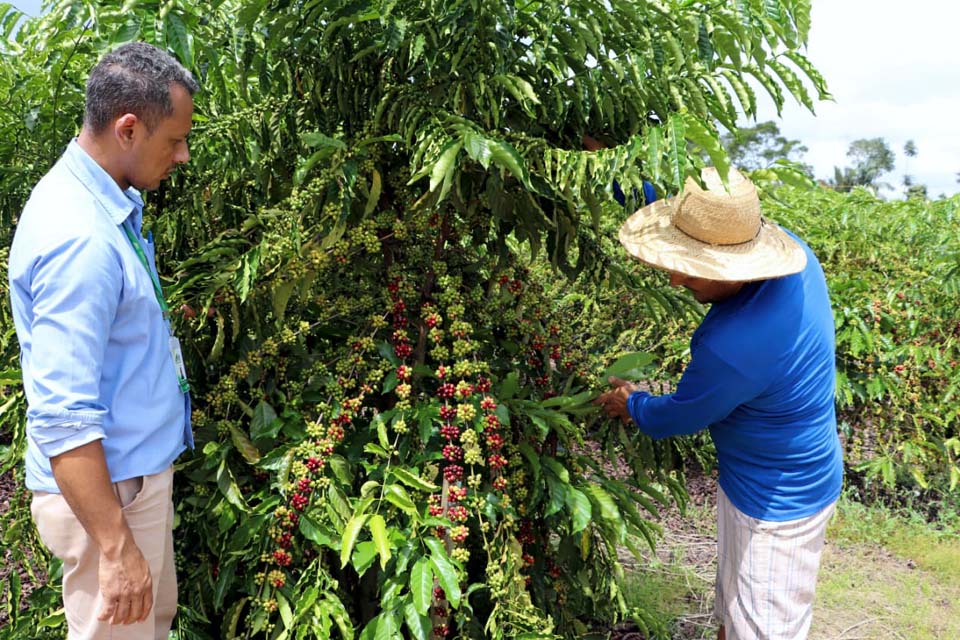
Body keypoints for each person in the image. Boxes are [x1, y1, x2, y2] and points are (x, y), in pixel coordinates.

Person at [594, 167, 842, 640]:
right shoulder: (793, 256)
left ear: (729, 269)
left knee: (763, 628)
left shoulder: (735, 347)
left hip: (777, 504)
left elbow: (681, 416)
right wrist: (616, 170)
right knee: (736, 608)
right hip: (764, 475)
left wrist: (634, 403)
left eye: (687, 269)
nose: (673, 278)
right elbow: (698, 222)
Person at [8, 42, 197, 638]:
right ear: (128, 128)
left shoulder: (103, 198)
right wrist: (116, 548)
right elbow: (63, 418)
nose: (184, 155)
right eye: (174, 139)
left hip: (128, 484)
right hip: (110, 501)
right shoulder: (80, 237)